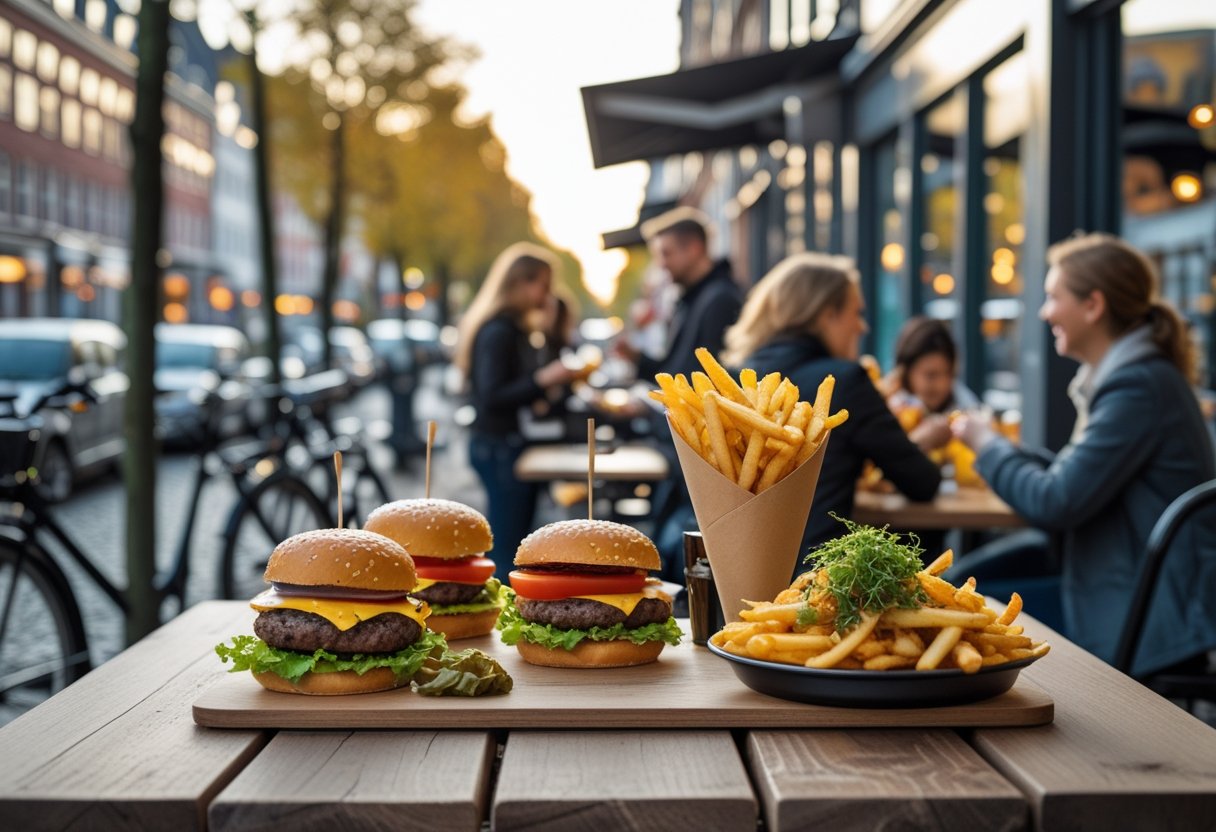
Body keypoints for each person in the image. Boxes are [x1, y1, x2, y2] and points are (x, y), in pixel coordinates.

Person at [952, 232, 1216, 676]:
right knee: (959, 591)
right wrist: (1006, 451)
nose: (1044, 311)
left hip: (1143, 614)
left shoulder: (1137, 387)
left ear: (1093, 305)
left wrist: (986, 444)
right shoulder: (1134, 378)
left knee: (963, 615)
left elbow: (1055, 501)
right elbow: (1070, 481)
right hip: (1124, 587)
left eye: (1054, 296)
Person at [723, 252, 941, 557]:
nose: (862, 327)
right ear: (828, 315)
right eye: (857, 313)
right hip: (819, 580)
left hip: (733, 569)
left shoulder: (731, 381)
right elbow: (922, 482)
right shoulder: (845, 380)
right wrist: (925, 439)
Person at [454, 242, 579, 572]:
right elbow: (492, 395)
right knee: (509, 547)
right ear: (520, 283)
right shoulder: (499, 330)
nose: (548, 294)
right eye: (544, 284)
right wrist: (542, 380)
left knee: (515, 541)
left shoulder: (512, 328)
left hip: (503, 444)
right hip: (498, 446)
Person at [614, 207, 743, 382]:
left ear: (694, 248)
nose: (662, 264)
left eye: (666, 254)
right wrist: (636, 357)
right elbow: (674, 371)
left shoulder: (720, 299)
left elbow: (698, 381)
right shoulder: (691, 299)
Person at [886, 316, 980, 453]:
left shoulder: (967, 408)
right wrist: (917, 442)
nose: (942, 385)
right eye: (931, 375)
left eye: (948, 373)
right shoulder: (886, 411)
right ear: (905, 372)